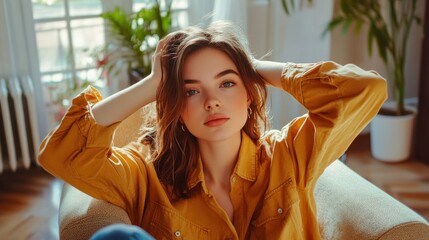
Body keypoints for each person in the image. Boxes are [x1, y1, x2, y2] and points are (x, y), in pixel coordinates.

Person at [38, 21, 387, 239]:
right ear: (177, 107)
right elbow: (63, 153)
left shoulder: (289, 154)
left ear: (250, 95)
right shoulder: (145, 172)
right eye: (191, 90)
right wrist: (154, 82)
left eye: (227, 83)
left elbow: (366, 90)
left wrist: (251, 66)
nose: (211, 101)